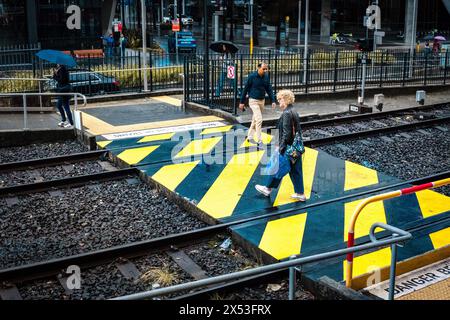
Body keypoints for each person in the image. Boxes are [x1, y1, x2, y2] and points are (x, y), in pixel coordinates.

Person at [255, 89, 306, 202]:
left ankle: (267, 189)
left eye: (280, 99)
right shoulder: (293, 110)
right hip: (296, 147)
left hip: (288, 147)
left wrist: (280, 148)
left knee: (276, 167)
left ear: (287, 99)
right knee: (295, 170)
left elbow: (286, 134)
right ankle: (300, 193)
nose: (279, 102)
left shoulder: (287, 113)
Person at [239, 62, 276, 146]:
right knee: (259, 119)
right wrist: (242, 102)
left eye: (266, 69)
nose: (265, 70)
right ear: (258, 68)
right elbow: (245, 89)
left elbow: (269, 89)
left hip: (262, 101)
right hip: (253, 101)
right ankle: (259, 140)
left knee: (255, 120)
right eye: (263, 69)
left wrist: (273, 100)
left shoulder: (266, 77)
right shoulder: (252, 76)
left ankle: (249, 137)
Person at [52, 64, 73, 128]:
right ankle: (64, 120)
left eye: (57, 62)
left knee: (66, 106)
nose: (56, 64)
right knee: (59, 105)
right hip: (62, 91)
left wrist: (55, 75)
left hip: (64, 91)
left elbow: (61, 80)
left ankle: (71, 123)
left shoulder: (63, 69)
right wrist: (55, 73)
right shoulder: (61, 69)